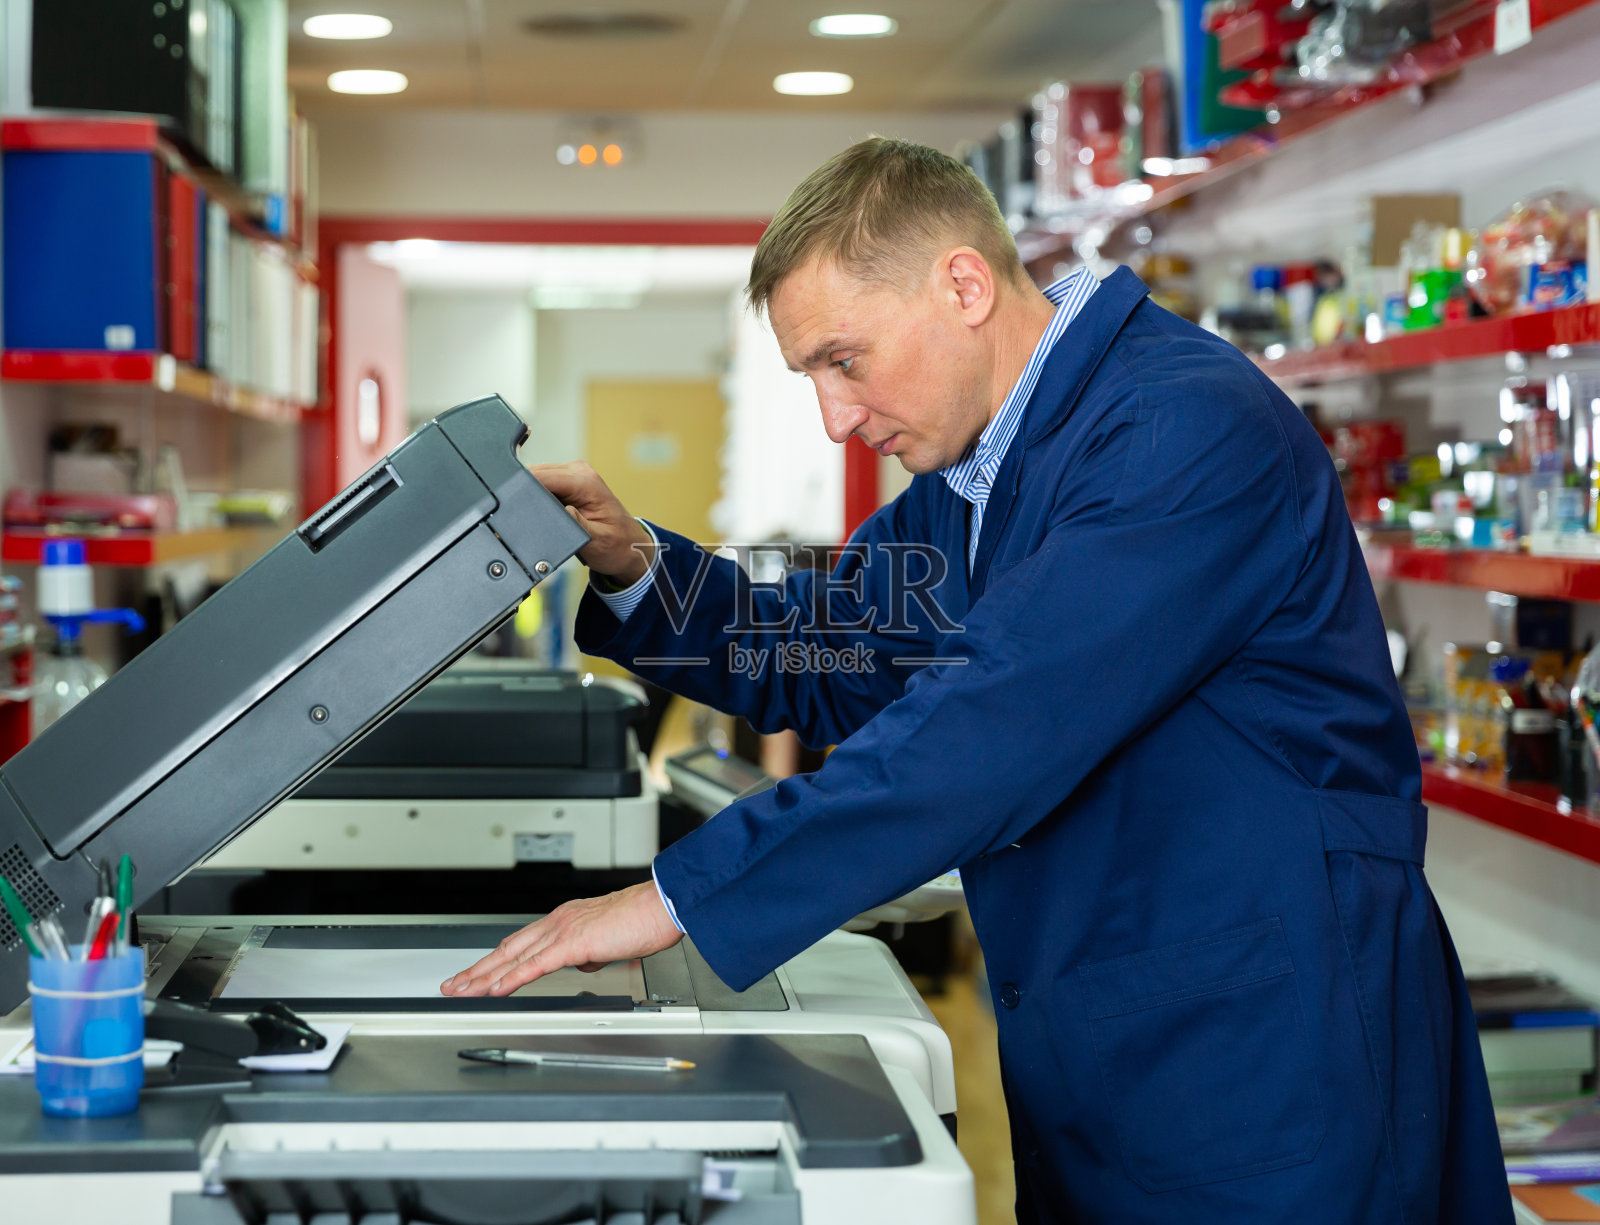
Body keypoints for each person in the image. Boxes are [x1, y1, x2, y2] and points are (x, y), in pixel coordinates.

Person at [441, 138, 1510, 1224]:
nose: (835, 416)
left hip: (1265, 1062)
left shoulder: (1180, 429)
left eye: (844, 360)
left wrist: (677, 896)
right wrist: (636, 563)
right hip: (1097, 1049)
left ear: (960, 283)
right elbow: (830, 649)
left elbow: (990, 726)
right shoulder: (974, 477)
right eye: (810, 375)